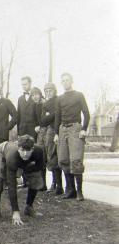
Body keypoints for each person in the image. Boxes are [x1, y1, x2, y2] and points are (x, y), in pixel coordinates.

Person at [0, 135, 45, 226]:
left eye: (28, 150)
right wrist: (15, 212)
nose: (25, 154)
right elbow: (11, 185)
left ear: (33, 149)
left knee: (35, 178)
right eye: (22, 150)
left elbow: (39, 167)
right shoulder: (12, 157)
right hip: (2, 151)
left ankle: (29, 207)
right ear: (18, 148)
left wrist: (24, 169)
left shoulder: (39, 151)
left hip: (20, 161)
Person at [54, 73, 90, 201]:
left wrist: (84, 129)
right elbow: (57, 116)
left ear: (72, 81)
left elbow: (86, 113)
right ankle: (71, 190)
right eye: (62, 81)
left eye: (67, 80)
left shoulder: (79, 95)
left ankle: (79, 192)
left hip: (75, 128)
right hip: (62, 129)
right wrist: (56, 133)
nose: (65, 82)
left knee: (76, 160)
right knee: (63, 160)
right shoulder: (59, 98)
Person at [40, 83, 64, 194]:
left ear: (55, 90)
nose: (48, 92)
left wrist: (51, 115)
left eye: (50, 90)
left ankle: (64, 186)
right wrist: (54, 113)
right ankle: (56, 184)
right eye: (46, 91)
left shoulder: (59, 100)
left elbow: (62, 114)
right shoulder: (45, 104)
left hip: (61, 129)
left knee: (63, 157)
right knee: (51, 156)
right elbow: (43, 120)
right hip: (50, 131)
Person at [30, 87, 48, 191]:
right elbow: (34, 119)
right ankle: (43, 184)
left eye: (36, 94)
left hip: (48, 131)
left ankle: (56, 185)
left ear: (40, 94)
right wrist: (36, 126)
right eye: (32, 95)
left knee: (50, 157)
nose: (34, 97)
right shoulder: (34, 105)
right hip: (40, 133)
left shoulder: (45, 103)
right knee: (41, 157)